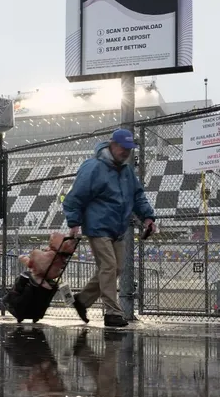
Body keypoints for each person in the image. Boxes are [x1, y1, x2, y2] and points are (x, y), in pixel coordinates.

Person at [62, 129, 156, 327]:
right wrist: (74, 223)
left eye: (129, 149)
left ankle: (82, 301)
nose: (126, 152)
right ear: (112, 144)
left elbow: (138, 195)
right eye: (123, 148)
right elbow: (75, 197)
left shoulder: (127, 170)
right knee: (109, 266)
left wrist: (148, 217)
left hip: (118, 228)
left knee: (117, 268)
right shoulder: (93, 167)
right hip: (97, 226)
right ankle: (112, 313)